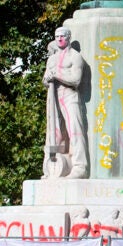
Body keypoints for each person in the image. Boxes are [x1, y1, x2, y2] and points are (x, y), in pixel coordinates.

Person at [43, 27, 88, 179]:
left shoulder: (75, 56)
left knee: (75, 130)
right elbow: (45, 79)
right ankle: (53, 168)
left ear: (69, 37)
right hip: (54, 95)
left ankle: (79, 166)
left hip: (70, 94)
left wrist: (57, 75)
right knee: (55, 133)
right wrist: (48, 78)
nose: (59, 39)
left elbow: (76, 80)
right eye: (57, 36)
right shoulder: (52, 59)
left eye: (62, 36)